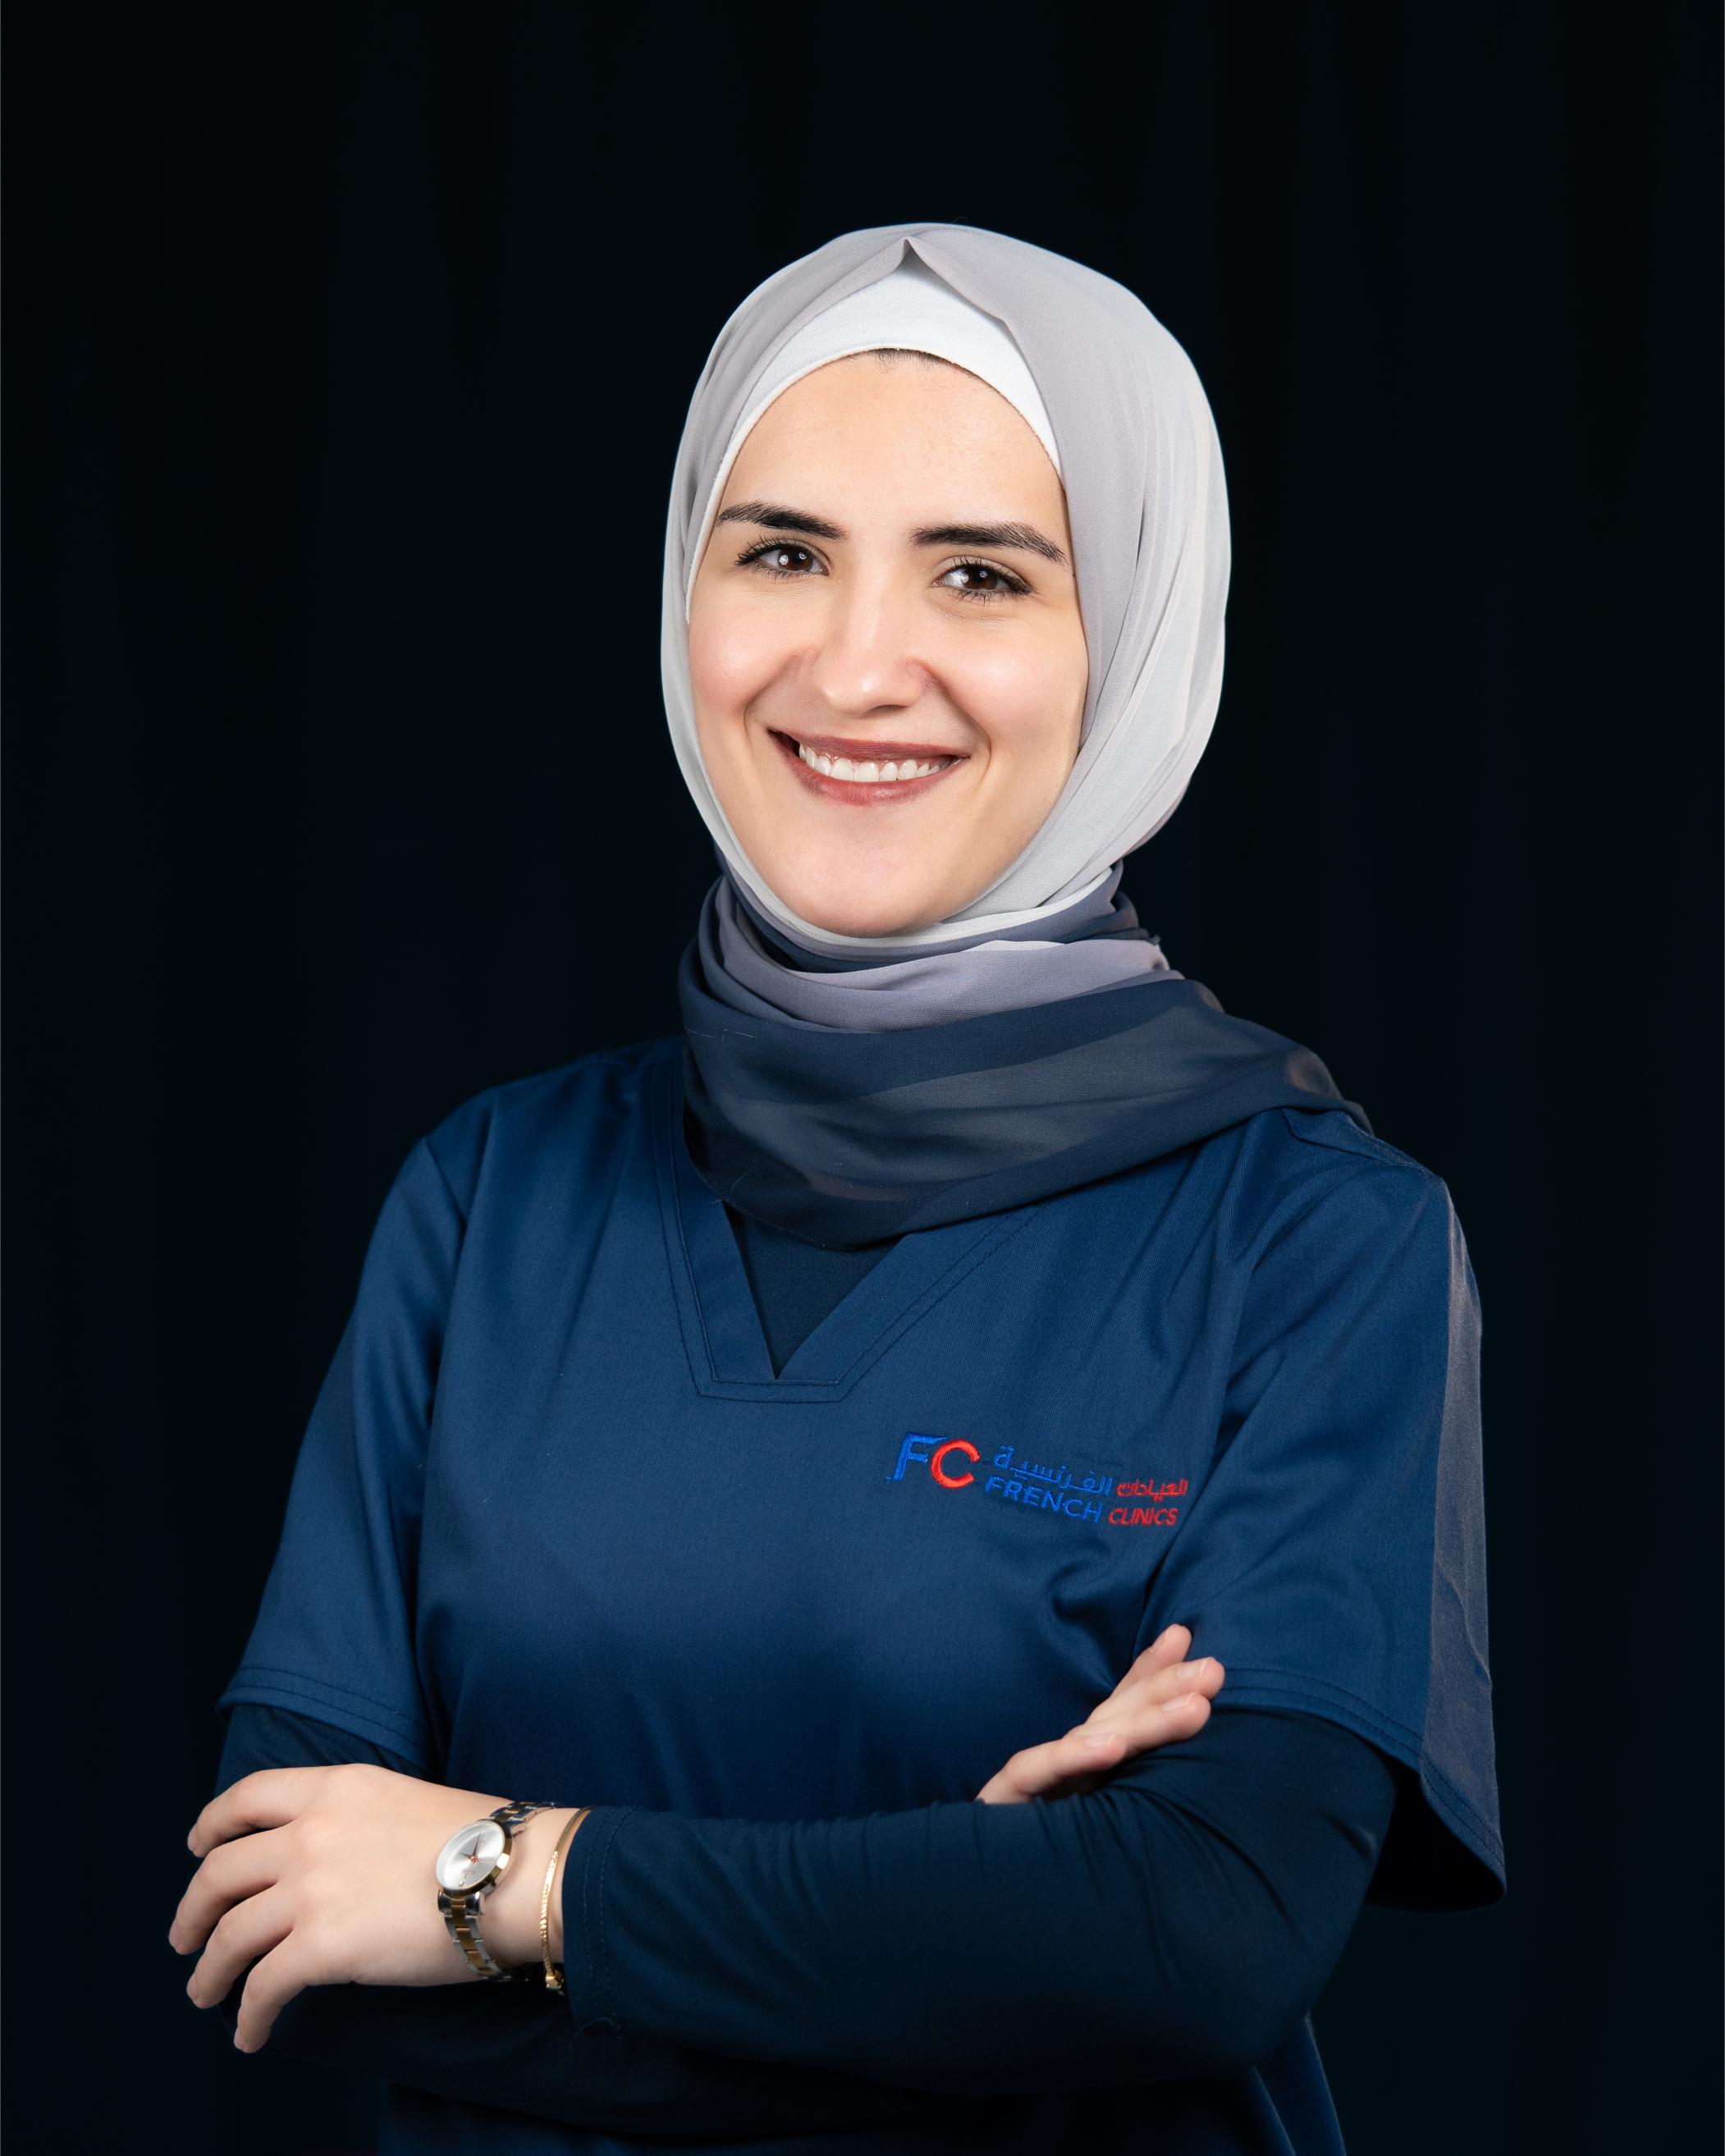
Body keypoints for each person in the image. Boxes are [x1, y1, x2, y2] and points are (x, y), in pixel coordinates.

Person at [170, 223, 1505, 2156]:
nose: (856, 666)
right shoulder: (490, 1196)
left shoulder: (1311, 1243)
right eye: (782, 552)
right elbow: (278, 1927)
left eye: (981, 573)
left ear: (1133, 634)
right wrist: (971, 1948)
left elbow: (1198, 1937)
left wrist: (507, 1883)